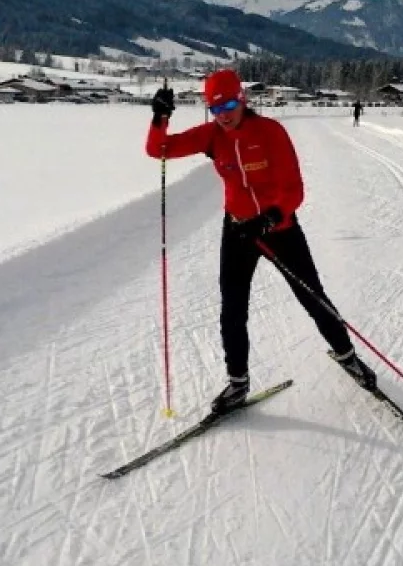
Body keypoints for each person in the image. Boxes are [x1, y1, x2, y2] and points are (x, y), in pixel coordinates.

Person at [146, 69, 376, 413]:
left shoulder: (270, 132)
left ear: (243, 99)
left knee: (312, 296)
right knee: (232, 310)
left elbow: (294, 189)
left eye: (228, 105)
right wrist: (160, 116)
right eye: (215, 108)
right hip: (238, 232)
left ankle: (348, 357)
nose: (223, 115)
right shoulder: (212, 136)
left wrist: (269, 218)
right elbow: (159, 150)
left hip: (279, 229)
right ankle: (238, 384)